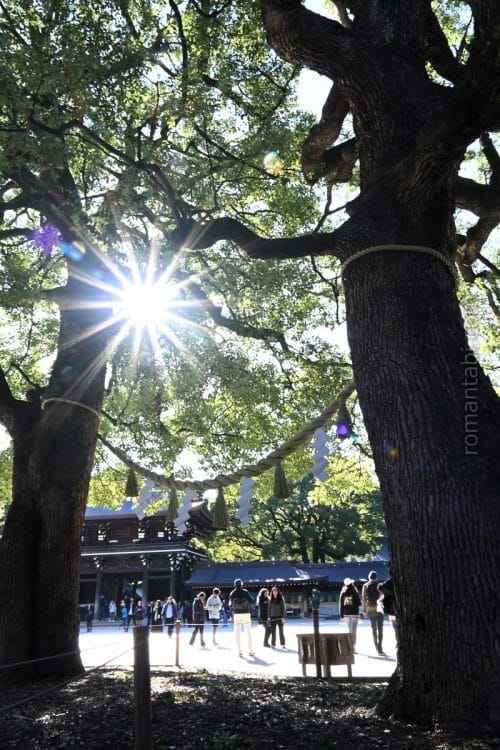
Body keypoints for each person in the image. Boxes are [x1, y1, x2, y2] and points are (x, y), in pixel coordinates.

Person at [229, 578, 254, 657]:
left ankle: (239, 651)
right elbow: (252, 601)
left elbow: (230, 604)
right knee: (248, 633)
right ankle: (250, 651)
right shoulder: (245, 592)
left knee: (237, 633)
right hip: (246, 613)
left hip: (236, 614)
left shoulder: (232, 593)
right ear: (241, 584)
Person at [362, 570, 385, 654]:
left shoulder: (365, 585)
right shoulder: (380, 585)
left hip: (370, 609)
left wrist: (364, 610)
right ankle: (380, 647)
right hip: (379, 609)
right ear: (376, 578)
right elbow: (382, 596)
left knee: (374, 629)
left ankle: (376, 647)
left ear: (369, 577)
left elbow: (364, 599)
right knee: (380, 629)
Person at [339, 577, 361, 651]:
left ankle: (350, 647)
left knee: (349, 631)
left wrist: (341, 616)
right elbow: (359, 603)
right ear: (352, 584)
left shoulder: (343, 593)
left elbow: (341, 605)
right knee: (354, 631)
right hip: (355, 613)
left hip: (347, 614)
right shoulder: (355, 592)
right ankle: (353, 647)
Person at [378, 574, 399, 646]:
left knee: (396, 632)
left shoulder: (389, 583)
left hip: (392, 611)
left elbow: (379, 587)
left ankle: (398, 645)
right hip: (398, 612)